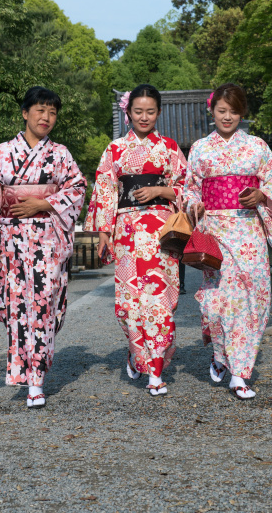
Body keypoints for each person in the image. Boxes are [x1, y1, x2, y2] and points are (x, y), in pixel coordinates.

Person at [0, 86, 86, 408]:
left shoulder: (61, 154)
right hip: (12, 243)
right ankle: (25, 375)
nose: (46, 117)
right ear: (25, 113)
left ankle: (37, 379)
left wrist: (43, 202)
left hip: (47, 242)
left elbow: (79, 188)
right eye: (40, 110)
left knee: (43, 307)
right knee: (17, 310)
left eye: (53, 112)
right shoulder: (1, 153)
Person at [183, 83, 272, 400]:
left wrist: (262, 194)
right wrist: (194, 205)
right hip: (215, 231)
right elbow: (189, 189)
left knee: (252, 298)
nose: (227, 117)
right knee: (218, 301)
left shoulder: (257, 146)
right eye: (221, 110)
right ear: (212, 111)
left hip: (248, 232)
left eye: (233, 111)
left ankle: (240, 374)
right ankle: (220, 355)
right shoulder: (201, 149)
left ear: (242, 113)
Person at [84, 84, 187, 396]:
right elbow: (104, 191)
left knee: (162, 301)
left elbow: (188, 188)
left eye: (151, 111)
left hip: (162, 233)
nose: (144, 117)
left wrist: (159, 191)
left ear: (158, 113)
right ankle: (136, 354)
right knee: (129, 304)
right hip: (126, 233)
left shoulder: (169, 148)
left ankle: (155, 371)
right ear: (127, 112)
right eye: (138, 111)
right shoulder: (115, 150)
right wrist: (104, 234)